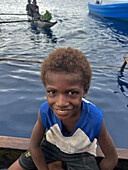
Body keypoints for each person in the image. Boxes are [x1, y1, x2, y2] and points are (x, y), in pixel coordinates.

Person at [8, 47, 118, 170]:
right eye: (52, 92)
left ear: (85, 91)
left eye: (72, 93)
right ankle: (55, 164)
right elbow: (34, 146)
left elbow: (111, 158)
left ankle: (56, 165)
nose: (61, 103)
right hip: (50, 147)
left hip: (80, 154)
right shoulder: (45, 111)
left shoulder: (94, 119)